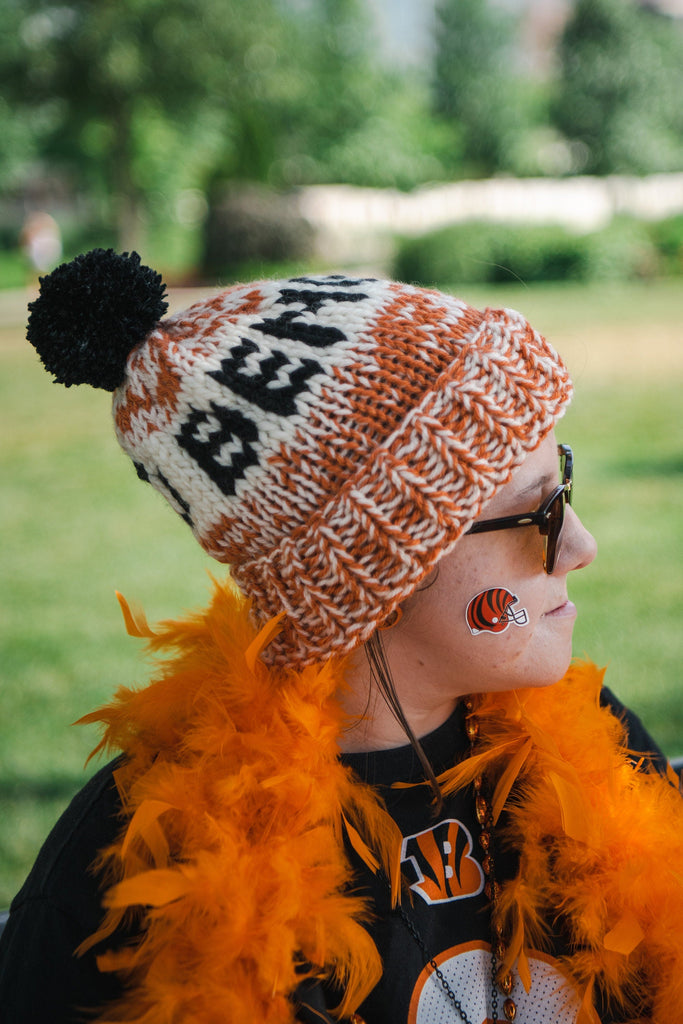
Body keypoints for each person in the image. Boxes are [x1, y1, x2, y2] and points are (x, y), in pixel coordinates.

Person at [1, 248, 681, 1024]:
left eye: (563, 485)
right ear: (378, 568)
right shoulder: (137, 870)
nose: (579, 547)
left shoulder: (591, 746)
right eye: (536, 514)